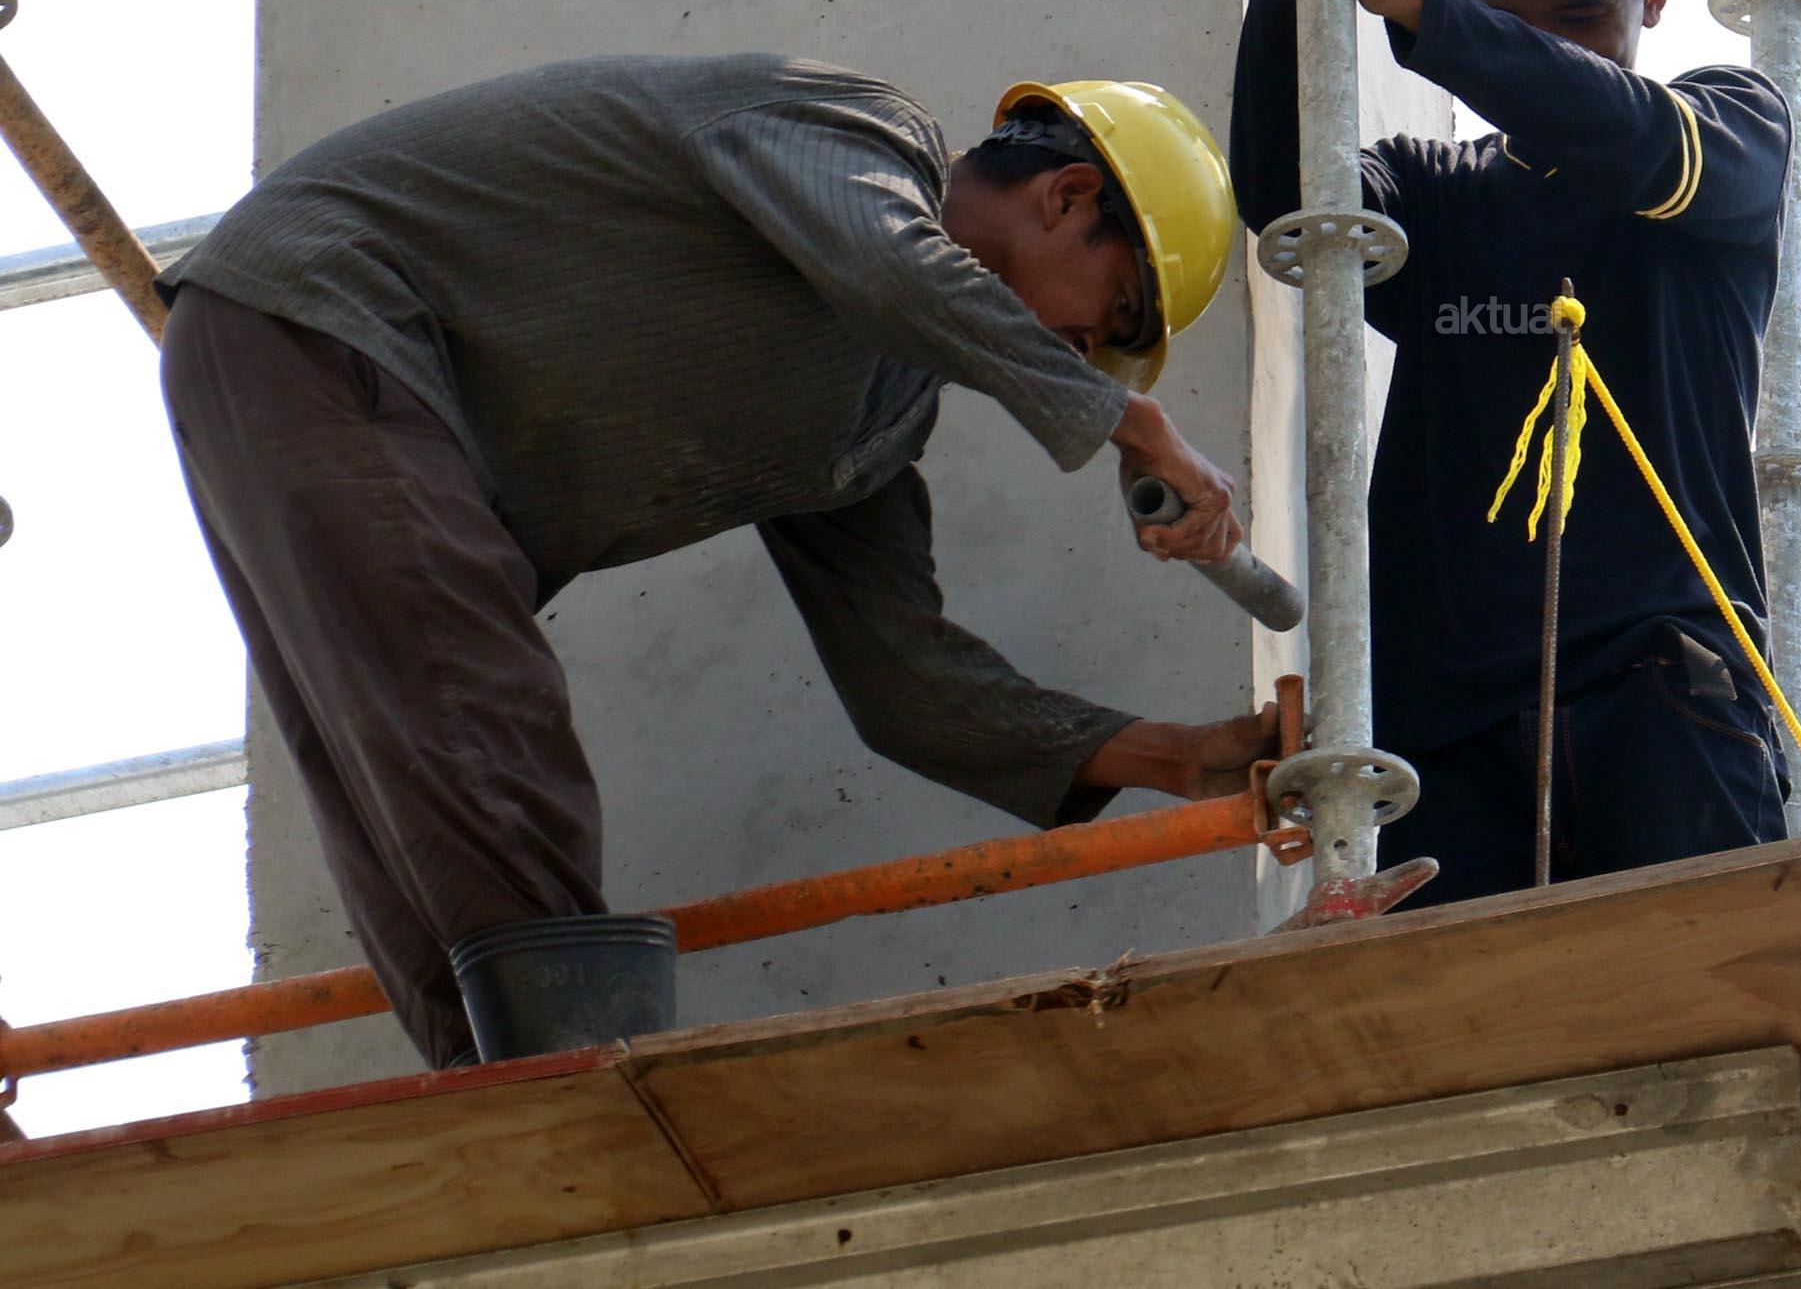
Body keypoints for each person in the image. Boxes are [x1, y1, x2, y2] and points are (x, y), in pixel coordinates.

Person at [158, 53, 1271, 1066]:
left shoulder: (876, 422)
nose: (1089, 352)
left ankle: (512, 1119)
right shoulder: (854, 132)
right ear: (1067, 196)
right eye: (1114, 313)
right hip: (328, 312)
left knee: (420, 808)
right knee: (475, 712)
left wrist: (1174, 759)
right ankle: (581, 1101)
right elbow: (891, 267)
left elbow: (908, 685)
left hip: (310, 382)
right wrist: (1127, 423)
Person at [1231, 0, 1794, 904]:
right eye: (1508, 18)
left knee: (1707, 992)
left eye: (1580, 15)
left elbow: (1639, 138)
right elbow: (1294, 194)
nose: (1540, 52)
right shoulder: (1436, 199)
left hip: (1668, 705)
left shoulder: (1729, 131)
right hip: (1453, 740)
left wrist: (1426, 10)